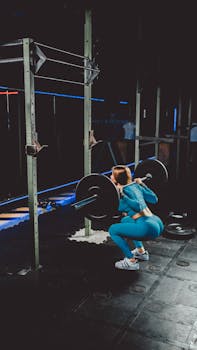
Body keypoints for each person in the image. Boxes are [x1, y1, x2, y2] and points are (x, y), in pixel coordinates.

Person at [109, 165, 164, 270]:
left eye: (112, 175)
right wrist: (143, 184)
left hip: (147, 228)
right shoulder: (136, 186)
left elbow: (137, 206)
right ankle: (141, 252)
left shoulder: (122, 192)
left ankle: (131, 261)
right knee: (125, 220)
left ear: (117, 178)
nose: (110, 176)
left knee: (113, 230)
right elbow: (154, 199)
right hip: (156, 222)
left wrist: (122, 195)